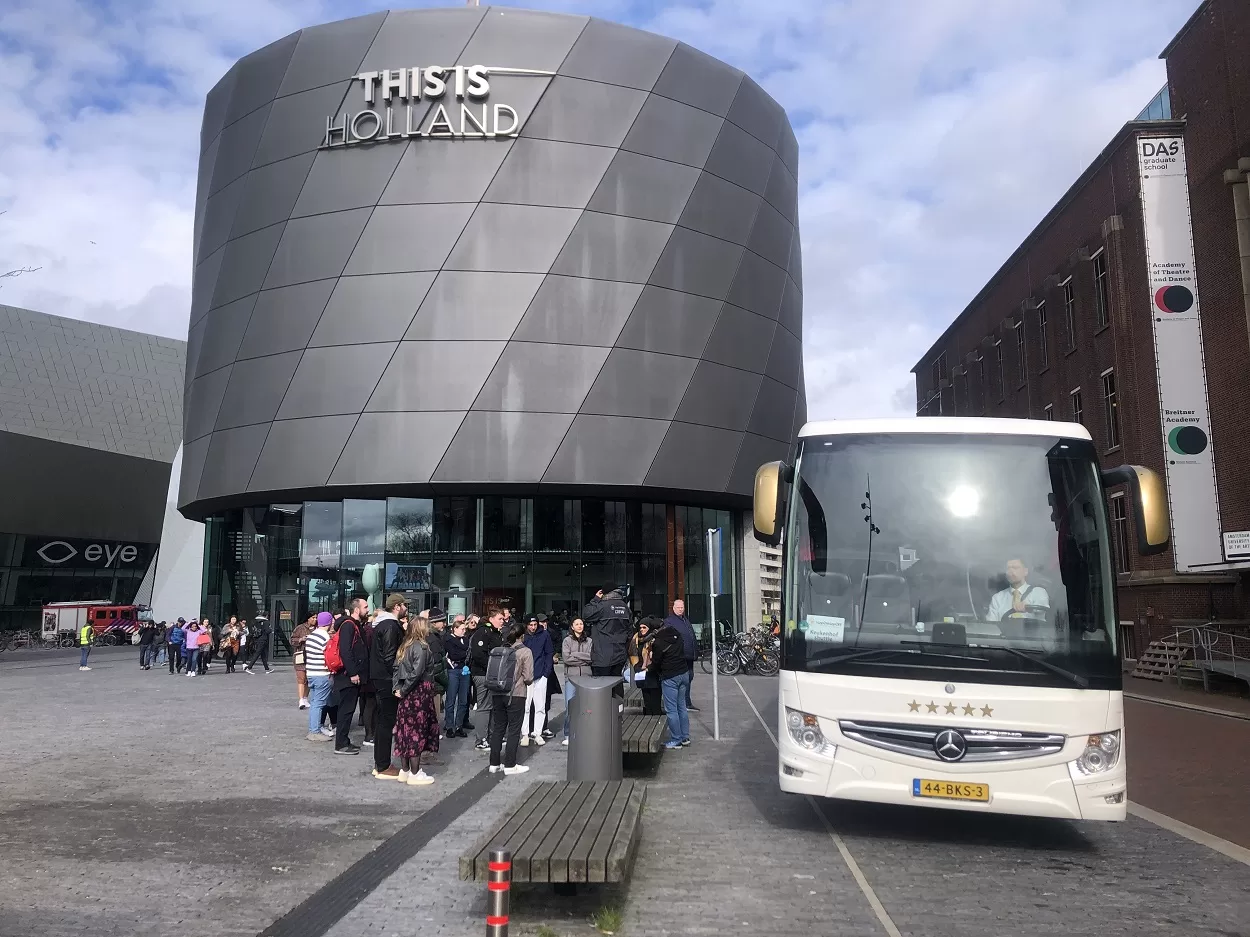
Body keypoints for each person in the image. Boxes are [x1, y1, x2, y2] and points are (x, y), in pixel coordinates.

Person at [392, 615, 440, 785]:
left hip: (407, 692)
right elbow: (417, 672)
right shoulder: (421, 647)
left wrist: (397, 688)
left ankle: (404, 770)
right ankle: (415, 772)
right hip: (418, 692)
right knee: (417, 731)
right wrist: (404, 690)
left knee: (404, 730)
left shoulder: (405, 646)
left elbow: (396, 669)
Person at [488, 622, 533, 776]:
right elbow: (528, 677)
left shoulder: (500, 649)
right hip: (516, 694)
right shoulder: (525, 652)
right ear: (523, 635)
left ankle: (494, 763)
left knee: (498, 728)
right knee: (514, 730)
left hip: (497, 692)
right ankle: (510, 764)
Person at [369, 593, 407, 779]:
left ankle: (381, 763)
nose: (406, 608)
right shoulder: (390, 626)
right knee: (386, 721)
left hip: (380, 678)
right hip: (386, 680)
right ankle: (383, 765)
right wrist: (398, 680)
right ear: (397, 606)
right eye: (404, 605)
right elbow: (390, 657)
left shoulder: (381, 625)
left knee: (383, 721)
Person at [333, 598, 370, 754]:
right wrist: (353, 672)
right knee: (346, 710)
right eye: (365, 607)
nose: (368, 610)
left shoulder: (354, 625)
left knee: (348, 710)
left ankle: (344, 741)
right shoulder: (348, 625)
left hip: (350, 675)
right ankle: (341, 744)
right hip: (347, 676)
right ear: (356, 610)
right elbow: (345, 651)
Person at [650, 616, 691, 749]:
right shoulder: (676, 634)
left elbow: (656, 663)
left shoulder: (658, 643)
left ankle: (676, 740)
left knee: (671, 710)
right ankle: (685, 737)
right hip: (684, 673)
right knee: (682, 707)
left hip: (670, 677)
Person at [583, 584, 631, 694]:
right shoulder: (625, 607)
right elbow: (629, 632)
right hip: (620, 654)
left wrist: (595, 599)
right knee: (617, 684)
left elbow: (586, 614)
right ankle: (617, 709)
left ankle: (604, 711)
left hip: (602, 655)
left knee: (601, 689)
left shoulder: (602, 606)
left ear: (603, 593)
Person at [469, 608, 505, 751]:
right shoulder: (483, 632)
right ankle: (481, 739)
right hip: (483, 674)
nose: (502, 621)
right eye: (500, 618)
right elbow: (478, 654)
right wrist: (491, 668)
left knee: (492, 706)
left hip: (492, 674)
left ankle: (491, 736)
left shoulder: (495, 633)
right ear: (491, 619)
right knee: (484, 706)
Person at [520, 615, 553, 746]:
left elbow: (549, 653)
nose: (533, 627)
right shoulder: (522, 636)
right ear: (526, 625)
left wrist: (546, 673)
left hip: (540, 676)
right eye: (530, 625)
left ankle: (538, 733)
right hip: (526, 677)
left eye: (534, 624)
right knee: (526, 707)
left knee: (540, 706)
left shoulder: (544, 635)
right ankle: (525, 734)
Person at [304, 612, 335, 742]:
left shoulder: (311, 636)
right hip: (322, 674)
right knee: (319, 703)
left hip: (311, 672)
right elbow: (330, 656)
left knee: (315, 702)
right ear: (329, 622)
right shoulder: (325, 637)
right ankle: (314, 731)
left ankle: (314, 727)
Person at [560, 618, 592, 745]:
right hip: (571, 678)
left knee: (585, 706)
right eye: (577, 624)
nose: (579, 626)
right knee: (570, 706)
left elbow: (591, 657)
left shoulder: (589, 641)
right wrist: (582, 657)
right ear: (572, 627)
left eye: (581, 624)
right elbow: (567, 659)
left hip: (586, 676)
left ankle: (584, 732)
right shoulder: (567, 640)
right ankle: (568, 733)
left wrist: (576, 655)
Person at [664, 599, 699, 711]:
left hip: (689, 656)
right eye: (678, 607)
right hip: (680, 656)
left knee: (689, 677)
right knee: (684, 680)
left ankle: (686, 702)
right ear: (673, 608)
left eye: (682, 607)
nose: (680, 609)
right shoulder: (670, 621)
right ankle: (684, 703)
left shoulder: (685, 620)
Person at [628, 619, 664, 716]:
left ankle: (656, 720)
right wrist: (636, 667)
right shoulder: (636, 638)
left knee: (655, 702)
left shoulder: (654, 638)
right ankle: (648, 718)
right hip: (641, 672)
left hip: (653, 672)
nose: (642, 629)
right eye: (640, 627)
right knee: (647, 700)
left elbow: (658, 656)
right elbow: (632, 654)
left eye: (644, 627)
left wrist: (650, 667)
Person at [443, 617, 471, 737]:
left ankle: (459, 725)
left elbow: (469, 653)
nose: (464, 631)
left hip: (464, 670)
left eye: (465, 629)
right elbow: (453, 655)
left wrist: (464, 655)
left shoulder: (465, 640)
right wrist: (464, 654)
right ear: (455, 629)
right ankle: (450, 726)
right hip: (453, 670)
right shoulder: (448, 639)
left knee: (463, 700)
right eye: (462, 629)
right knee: (451, 699)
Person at [426, 608, 449, 736]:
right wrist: (445, 682)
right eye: (442, 621)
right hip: (435, 684)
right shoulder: (433, 639)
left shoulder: (433, 636)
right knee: (434, 712)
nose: (444, 624)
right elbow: (437, 665)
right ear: (434, 623)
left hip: (433, 683)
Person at [291, 612, 315, 708]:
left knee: (309, 679)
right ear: (308, 618)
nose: (315, 619)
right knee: (301, 678)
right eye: (313, 617)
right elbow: (292, 640)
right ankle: (301, 699)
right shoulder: (300, 628)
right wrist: (300, 639)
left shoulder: (318, 629)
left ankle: (305, 698)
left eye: (316, 618)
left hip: (312, 656)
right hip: (300, 656)